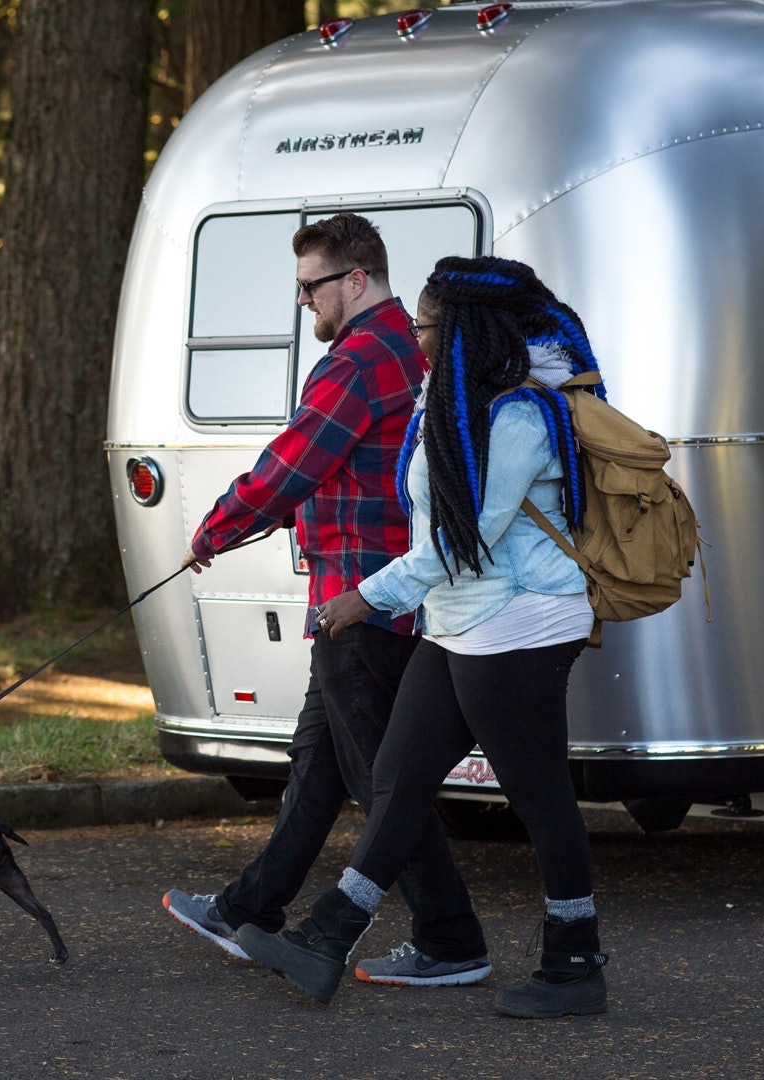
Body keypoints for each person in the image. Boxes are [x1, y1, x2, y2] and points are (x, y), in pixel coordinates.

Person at [238, 254, 609, 1019]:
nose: (417, 335)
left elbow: (458, 539)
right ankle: (326, 938)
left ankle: (574, 965)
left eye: (428, 325)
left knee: (540, 801)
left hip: (520, 624)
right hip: (459, 620)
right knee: (399, 780)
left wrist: (365, 600)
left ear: (466, 329)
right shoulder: (454, 398)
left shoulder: (519, 416)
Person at [160, 213, 490, 988]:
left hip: (362, 601)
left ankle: (452, 939)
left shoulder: (361, 358)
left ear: (356, 279)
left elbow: (296, 461)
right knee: (317, 763)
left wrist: (215, 528)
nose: (305, 304)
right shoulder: (407, 349)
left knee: (385, 779)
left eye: (311, 288)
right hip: (373, 594)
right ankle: (251, 908)